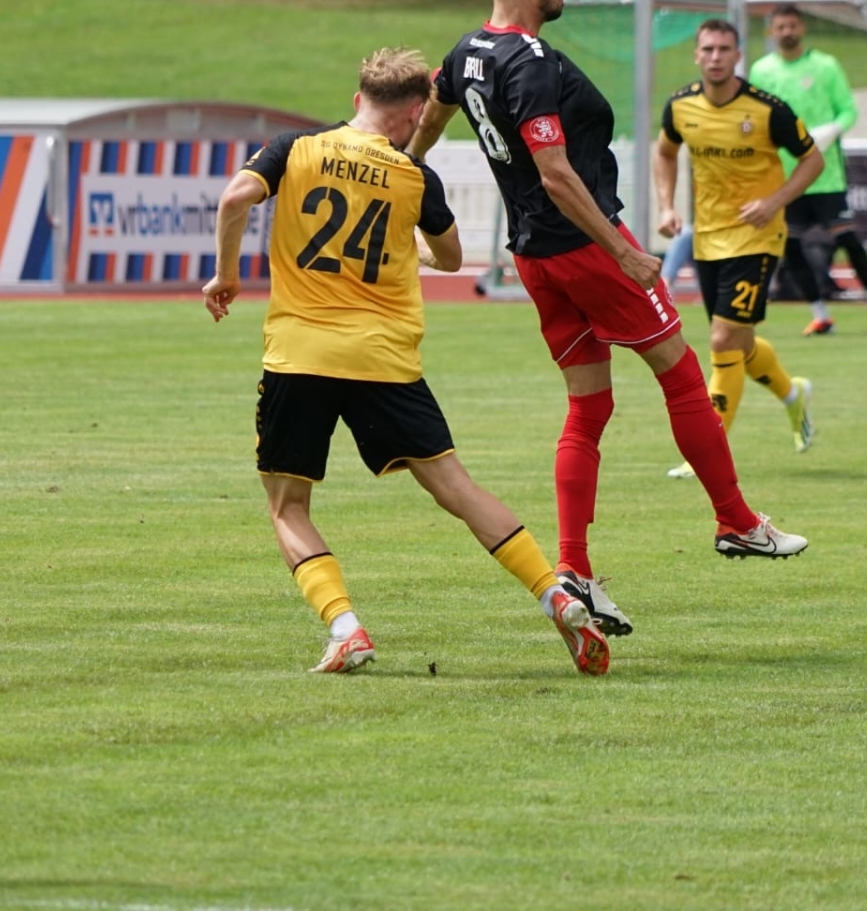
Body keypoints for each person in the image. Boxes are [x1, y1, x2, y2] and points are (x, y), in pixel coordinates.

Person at [412, 0, 808, 638]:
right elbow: (557, 174)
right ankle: (737, 521)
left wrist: (407, 167)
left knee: (588, 405)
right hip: (585, 246)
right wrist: (623, 253)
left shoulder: (466, 51)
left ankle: (574, 566)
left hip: (533, 255)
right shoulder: (528, 62)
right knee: (682, 375)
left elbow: (433, 110)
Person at [202, 46, 609, 677]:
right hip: (384, 359)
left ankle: (345, 628)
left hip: (301, 354)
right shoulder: (415, 177)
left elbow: (234, 199)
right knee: (458, 489)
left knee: (288, 507)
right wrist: (412, 248)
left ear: (357, 99)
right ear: (417, 112)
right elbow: (451, 258)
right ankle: (553, 593)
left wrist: (226, 276)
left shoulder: (294, 148)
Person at [654, 19, 824, 479]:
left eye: (724, 49)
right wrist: (666, 205)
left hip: (757, 238)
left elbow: (812, 160)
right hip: (709, 239)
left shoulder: (768, 110)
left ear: (738, 55)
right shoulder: (681, 106)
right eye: (708, 49)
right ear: (696, 55)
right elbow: (665, 152)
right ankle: (793, 394)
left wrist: (774, 202)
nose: (715, 57)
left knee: (722, 339)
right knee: (739, 343)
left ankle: (706, 453)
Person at [745, 3, 867, 338]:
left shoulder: (825, 66)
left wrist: (830, 131)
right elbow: (756, 117)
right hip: (785, 178)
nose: (787, 32)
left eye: (792, 25)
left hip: (826, 175)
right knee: (791, 246)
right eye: (780, 27)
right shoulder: (761, 71)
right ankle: (820, 315)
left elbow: (848, 110)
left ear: (802, 28)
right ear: (771, 31)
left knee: (848, 240)